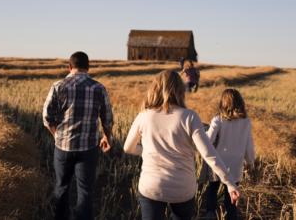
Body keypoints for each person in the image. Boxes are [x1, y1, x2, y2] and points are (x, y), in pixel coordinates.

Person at [123, 70, 240, 220]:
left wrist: (147, 151)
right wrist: (230, 183)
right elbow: (208, 154)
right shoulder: (190, 116)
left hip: (151, 186)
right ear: (180, 89)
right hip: (183, 188)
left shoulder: (144, 115)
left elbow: (128, 148)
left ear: (155, 88)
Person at [43, 51, 114, 220]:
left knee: (61, 188)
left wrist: (56, 136)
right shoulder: (98, 87)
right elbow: (107, 119)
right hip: (89, 149)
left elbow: (47, 118)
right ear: (88, 67)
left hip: (63, 147)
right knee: (85, 190)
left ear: (69, 66)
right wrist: (107, 137)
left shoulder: (58, 86)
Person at [204, 89, 255, 220]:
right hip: (236, 163)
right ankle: (231, 216)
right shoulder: (246, 122)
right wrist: (250, 161)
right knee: (231, 193)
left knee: (213, 186)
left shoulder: (217, 118)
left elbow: (208, 139)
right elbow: (249, 144)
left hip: (218, 161)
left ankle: (210, 212)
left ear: (223, 102)